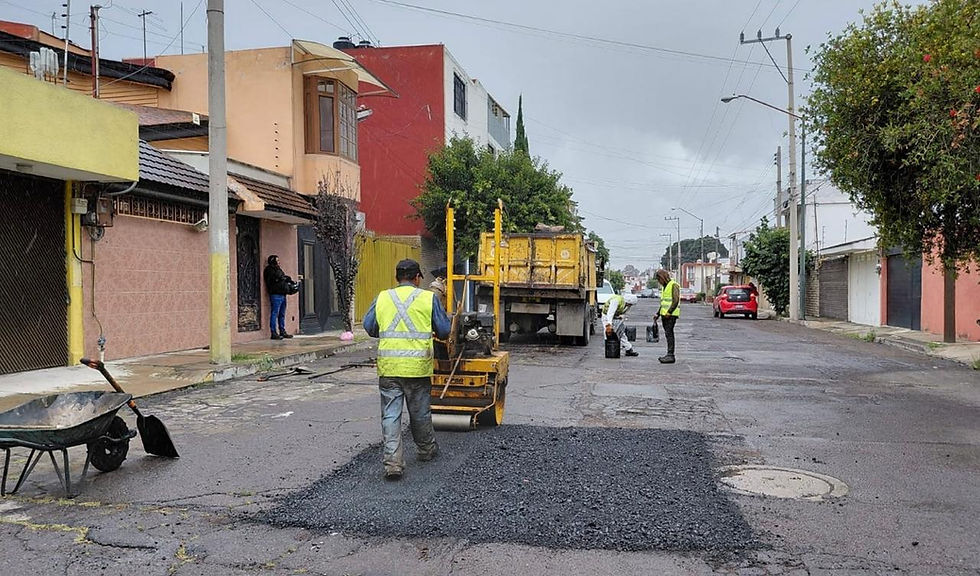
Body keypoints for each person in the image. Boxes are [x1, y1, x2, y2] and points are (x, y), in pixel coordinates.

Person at [364, 259, 452, 481]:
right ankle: (426, 450)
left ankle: (393, 463)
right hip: (417, 369)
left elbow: (369, 326)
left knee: (391, 415)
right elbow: (443, 331)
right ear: (417, 278)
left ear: (397, 278)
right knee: (419, 412)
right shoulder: (428, 298)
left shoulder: (383, 297)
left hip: (389, 368)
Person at [263, 255, 293, 340]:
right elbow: (275, 279)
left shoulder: (278, 269)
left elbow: (282, 278)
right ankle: (273, 332)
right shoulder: (269, 270)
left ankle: (282, 331)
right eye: (277, 260)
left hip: (282, 294)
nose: (279, 262)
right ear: (273, 261)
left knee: (282, 314)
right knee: (274, 313)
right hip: (275, 294)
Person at [602, 292, 639, 357]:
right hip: (607, 316)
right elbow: (610, 313)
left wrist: (621, 317)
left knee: (620, 333)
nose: (630, 306)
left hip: (616, 317)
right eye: (630, 304)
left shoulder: (627, 305)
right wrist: (609, 324)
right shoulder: (616, 300)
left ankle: (628, 349)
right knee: (608, 333)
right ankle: (610, 350)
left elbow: (623, 313)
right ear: (628, 301)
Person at [655, 269, 680, 363]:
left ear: (663, 277)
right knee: (667, 334)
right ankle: (669, 354)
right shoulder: (664, 287)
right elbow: (664, 302)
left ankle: (671, 355)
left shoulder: (674, 285)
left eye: (659, 279)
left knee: (669, 334)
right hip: (664, 315)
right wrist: (658, 313)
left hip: (671, 315)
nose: (659, 282)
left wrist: (669, 312)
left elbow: (675, 300)